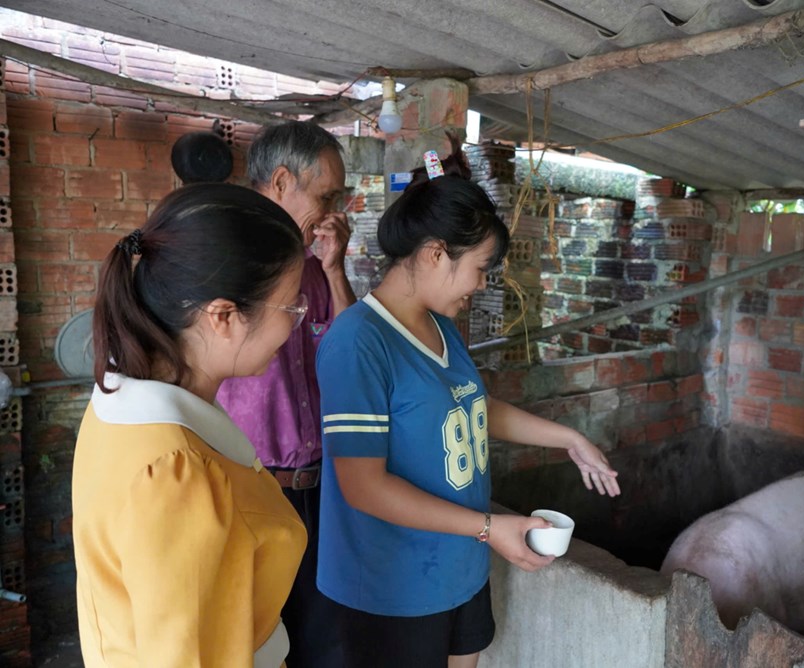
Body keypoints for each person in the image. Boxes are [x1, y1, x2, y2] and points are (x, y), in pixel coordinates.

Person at [315, 174, 621, 668]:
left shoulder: (440, 325)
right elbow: (362, 486)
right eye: (479, 268)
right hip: (393, 586)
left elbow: (471, 405)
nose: (481, 285)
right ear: (436, 253)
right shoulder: (358, 342)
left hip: (458, 568)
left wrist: (568, 439)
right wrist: (488, 528)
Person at [72, 183, 308, 666]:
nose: (295, 324)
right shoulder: (177, 472)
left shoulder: (120, 400)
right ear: (223, 316)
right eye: (290, 307)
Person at [216, 120, 354, 667]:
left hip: (319, 490)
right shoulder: (224, 259)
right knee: (255, 643)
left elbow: (348, 356)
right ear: (279, 182)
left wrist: (336, 270)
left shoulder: (318, 268)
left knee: (324, 641)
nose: (333, 211)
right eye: (325, 196)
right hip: (248, 492)